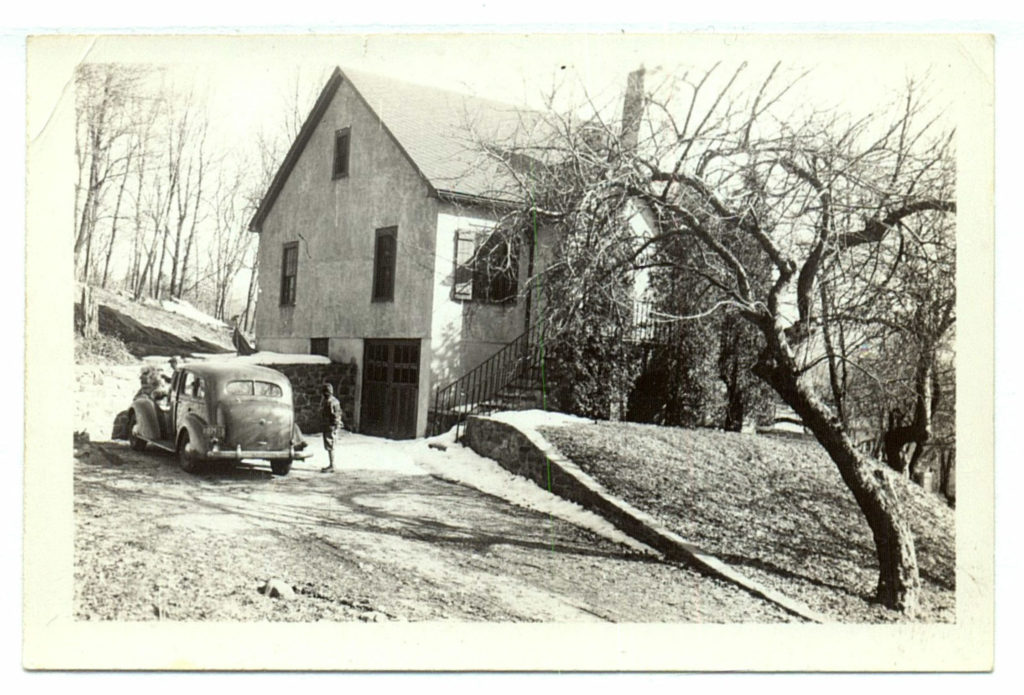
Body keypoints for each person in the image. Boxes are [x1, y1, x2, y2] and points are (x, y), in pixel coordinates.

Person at [320, 383, 343, 473]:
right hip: (330, 425)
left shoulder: (329, 402)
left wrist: (335, 424)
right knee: (330, 445)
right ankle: (331, 464)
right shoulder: (334, 401)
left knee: (330, 445)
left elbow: (335, 415)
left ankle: (332, 465)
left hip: (330, 426)